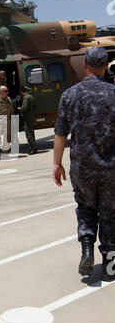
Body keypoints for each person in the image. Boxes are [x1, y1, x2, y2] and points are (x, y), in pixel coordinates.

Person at [53, 47, 115, 282]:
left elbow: (60, 134)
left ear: (85, 66)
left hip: (82, 168)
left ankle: (87, 248)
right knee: (110, 213)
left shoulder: (69, 95)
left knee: (86, 209)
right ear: (106, 66)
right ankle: (110, 266)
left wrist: (56, 164)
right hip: (111, 168)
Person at [18, 87, 37, 155]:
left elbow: (24, 108)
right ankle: (33, 147)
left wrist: (20, 108)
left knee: (28, 133)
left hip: (27, 117)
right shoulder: (31, 96)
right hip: (31, 116)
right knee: (31, 132)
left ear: (21, 92)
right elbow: (35, 106)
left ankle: (33, 149)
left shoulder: (26, 98)